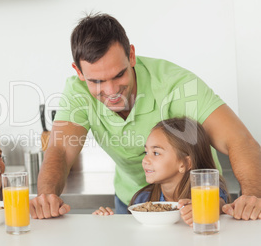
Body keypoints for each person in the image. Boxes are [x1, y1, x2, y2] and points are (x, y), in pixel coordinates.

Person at [30, 12, 261, 220]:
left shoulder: (176, 85)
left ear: (131, 55)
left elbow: (239, 140)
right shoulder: (77, 92)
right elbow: (59, 150)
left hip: (197, 200)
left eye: (119, 75)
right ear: (79, 72)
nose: (111, 91)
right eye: (96, 81)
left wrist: (252, 196)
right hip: (134, 201)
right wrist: (47, 196)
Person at [93, 117, 236, 226]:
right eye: (145, 152)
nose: (145, 160)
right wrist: (107, 221)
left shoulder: (205, 192)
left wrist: (204, 208)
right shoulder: (143, 199)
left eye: (156, 153)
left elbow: (220, 204)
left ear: (185, 163)